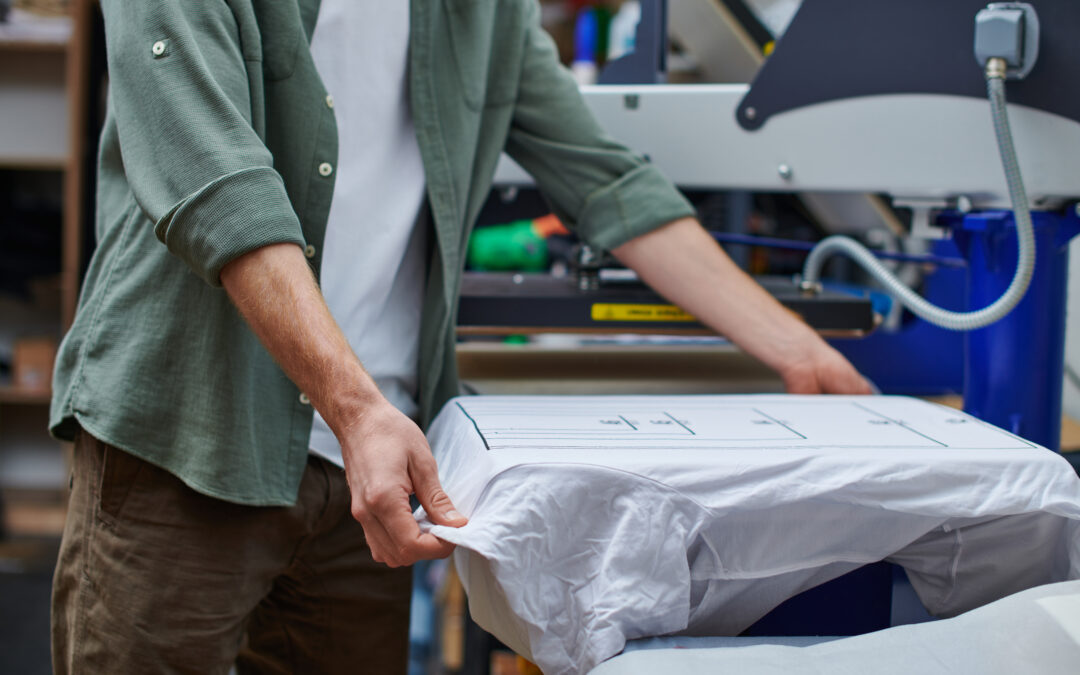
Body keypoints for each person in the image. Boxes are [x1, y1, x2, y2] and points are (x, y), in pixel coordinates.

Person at [49, 0, 872, 672]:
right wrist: (356, 407)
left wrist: (800, 351)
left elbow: (605, 180)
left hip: (366, 477)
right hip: (187, 437)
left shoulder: (487, 14)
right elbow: (218, 187)